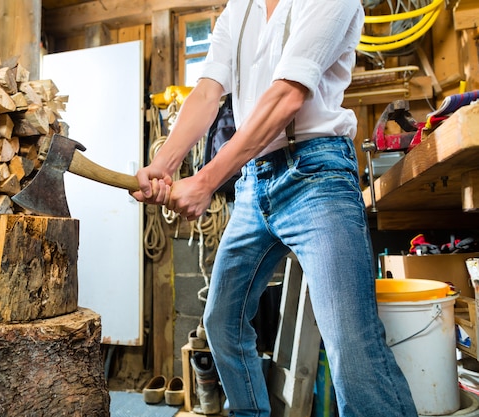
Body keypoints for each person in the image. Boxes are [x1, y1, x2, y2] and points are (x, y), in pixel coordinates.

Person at [132, 0, 419, 416]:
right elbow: (208, 91)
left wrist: (207, 181)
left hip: (316, 175)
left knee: (350, 343)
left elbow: (287, 95)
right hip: (254, 182)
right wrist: (164, 163)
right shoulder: (240, 8)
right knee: (222, 323)